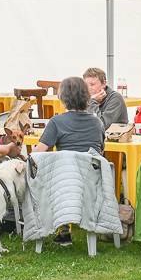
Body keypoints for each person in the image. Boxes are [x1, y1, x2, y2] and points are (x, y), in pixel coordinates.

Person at [37, 75, 104, 246]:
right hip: (91, 183)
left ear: (62, 98)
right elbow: (100, 151)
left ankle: (61, 227)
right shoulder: (97, 123)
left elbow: (38, 154)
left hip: (63, 185)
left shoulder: (57, 122)